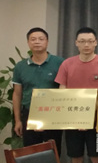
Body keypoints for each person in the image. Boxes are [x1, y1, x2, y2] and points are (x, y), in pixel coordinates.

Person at [56, 27, 98, 163]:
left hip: (95, 122)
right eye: (82, 41)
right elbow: (62, 93)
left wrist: (93, 120)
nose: (86, 45)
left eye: (90, 41)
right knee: (75, 159)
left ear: (96, 42)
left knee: (97, 159)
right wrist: (77, 119)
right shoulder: (67, 64)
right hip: (72, 121)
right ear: (76, 43)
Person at [12, 27, 64, 155]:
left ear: (47, 42)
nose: (37, 42)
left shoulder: (60, 63)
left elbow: (65, 89)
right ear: (28, 43)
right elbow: (17, 94)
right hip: (29, 113)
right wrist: (18, 120)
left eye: (41, 39)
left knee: (53, 152)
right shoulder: (20, 66)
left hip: (53, 113)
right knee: (31, 152)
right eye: (33, 39)